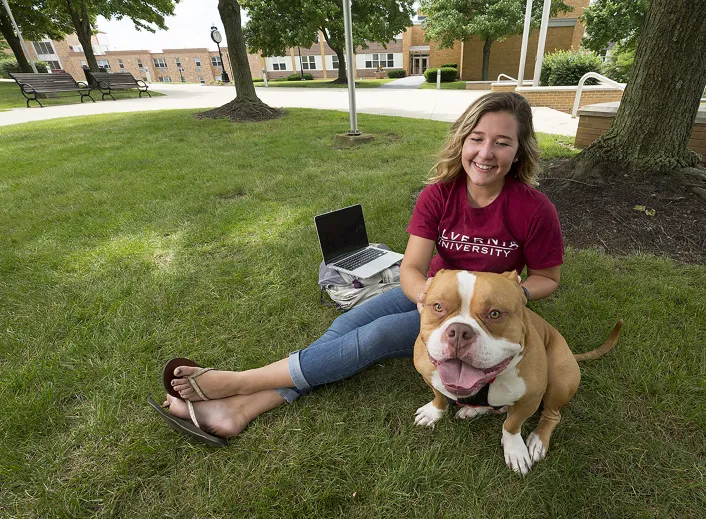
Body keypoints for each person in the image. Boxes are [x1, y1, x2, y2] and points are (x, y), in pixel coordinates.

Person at [157, 92, 564, 439]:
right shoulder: (439, 195)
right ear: (462, 141)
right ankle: (239, 411)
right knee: (345, 327)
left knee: (377, 336)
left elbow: (547, 278)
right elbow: (412, 268)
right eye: (477, 138)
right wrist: (425, 301)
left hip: (481, 315)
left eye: (502, 142)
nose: (486, 153)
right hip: (434, 296)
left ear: (519, 150)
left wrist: (518, 294)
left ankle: (241, 383)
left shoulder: (534, 210)